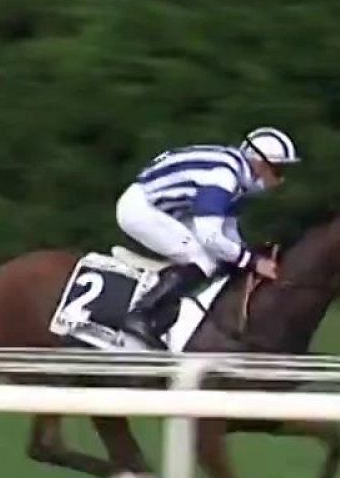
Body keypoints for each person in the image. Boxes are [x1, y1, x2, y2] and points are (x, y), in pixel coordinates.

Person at [113, 126, 300, 347]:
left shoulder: (240, 174)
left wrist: (242, 258)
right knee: (203, 258)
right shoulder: (224, 176)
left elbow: (227, 229)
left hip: (167, 208)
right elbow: (210, 235)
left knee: (221, 257)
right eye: (278, 170)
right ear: (260, 163)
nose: (281, 179)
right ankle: (141, 315)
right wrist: (252, 261)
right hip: (141, 209)